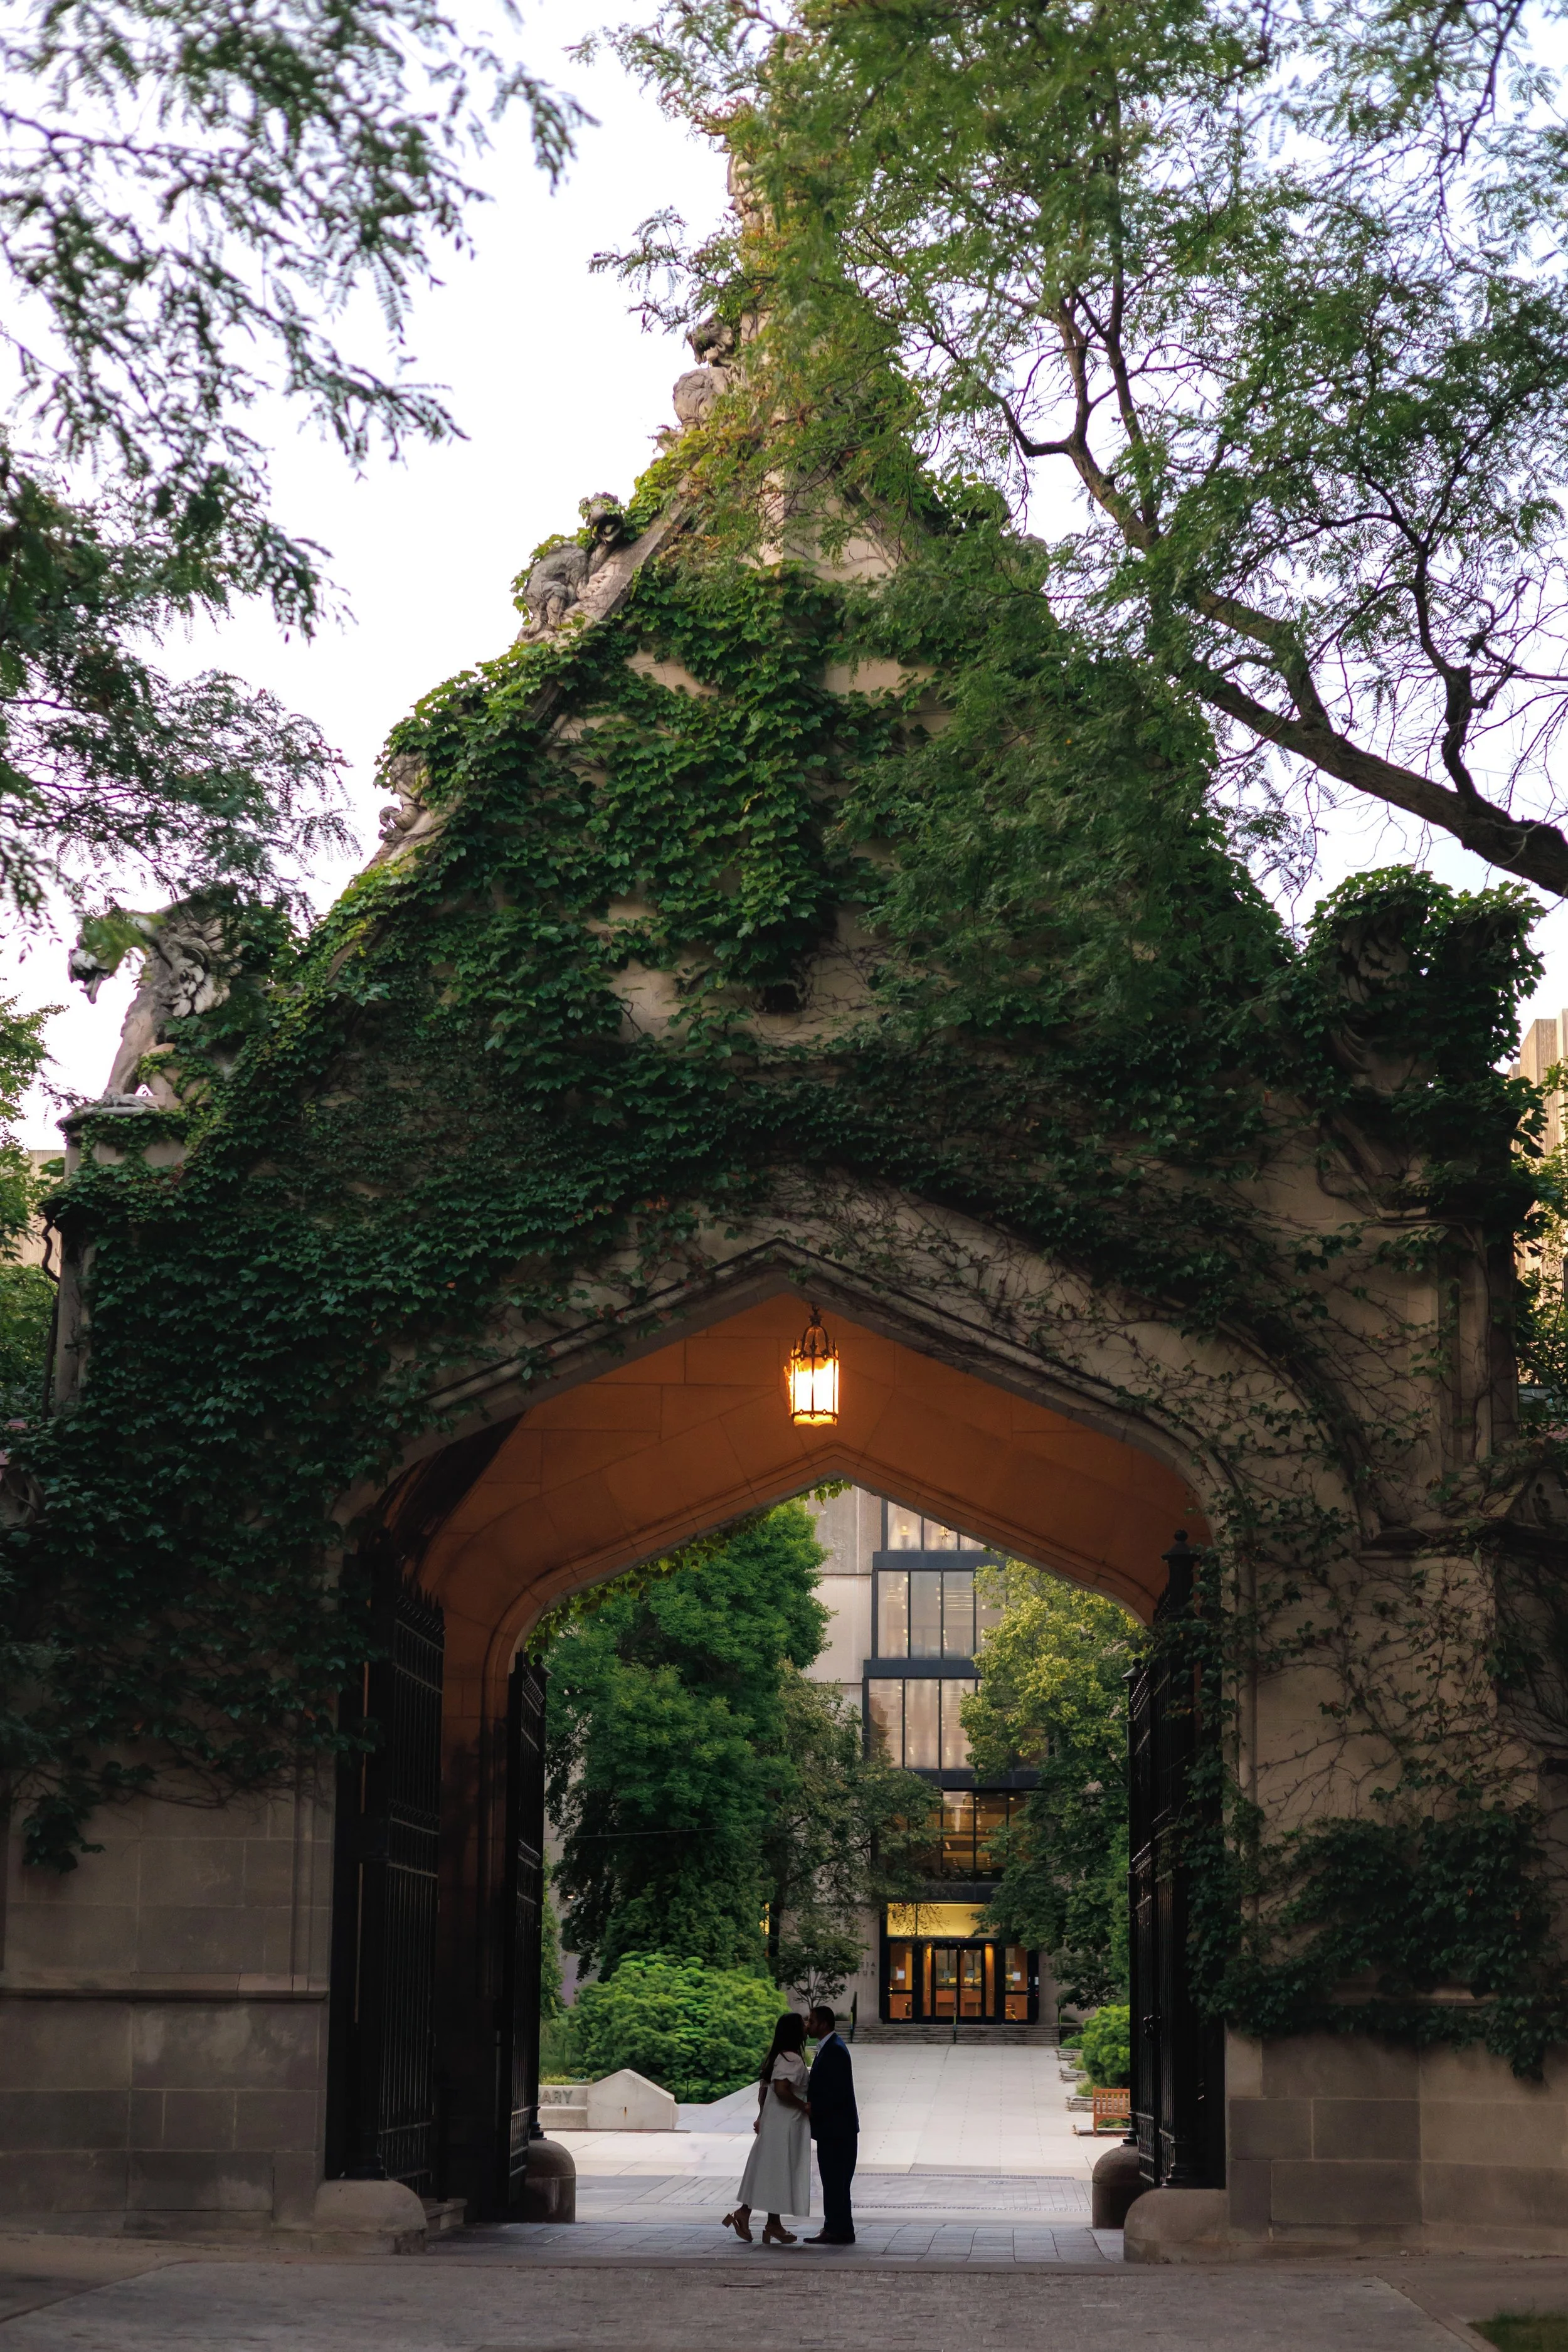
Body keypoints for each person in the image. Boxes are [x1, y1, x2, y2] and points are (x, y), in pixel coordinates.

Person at [723, 2013, 812, 2246]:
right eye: (802, 2024)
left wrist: (762, 2116)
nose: (806, 2027)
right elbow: (782, 2089)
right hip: (786, 2122)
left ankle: (756, 2217)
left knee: (769, 2169)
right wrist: (804, 2105)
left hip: (774, 2121)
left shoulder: (777, 2057)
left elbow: (765, 2091)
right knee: (779, 2170)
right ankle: (764, 2220)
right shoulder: (791, 2059)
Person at [804, 2002, 859, 2245]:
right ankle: (839, 2228)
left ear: (823, 2024)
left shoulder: (834, 2050)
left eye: (811, 2021)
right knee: (835, 2181)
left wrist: (811, 2109)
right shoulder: (830, 2048)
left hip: (837, 2131)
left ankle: (836, 2229)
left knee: (835, 2180)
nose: (808, 2025)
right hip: (836, 2129)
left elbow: (834, 2093)